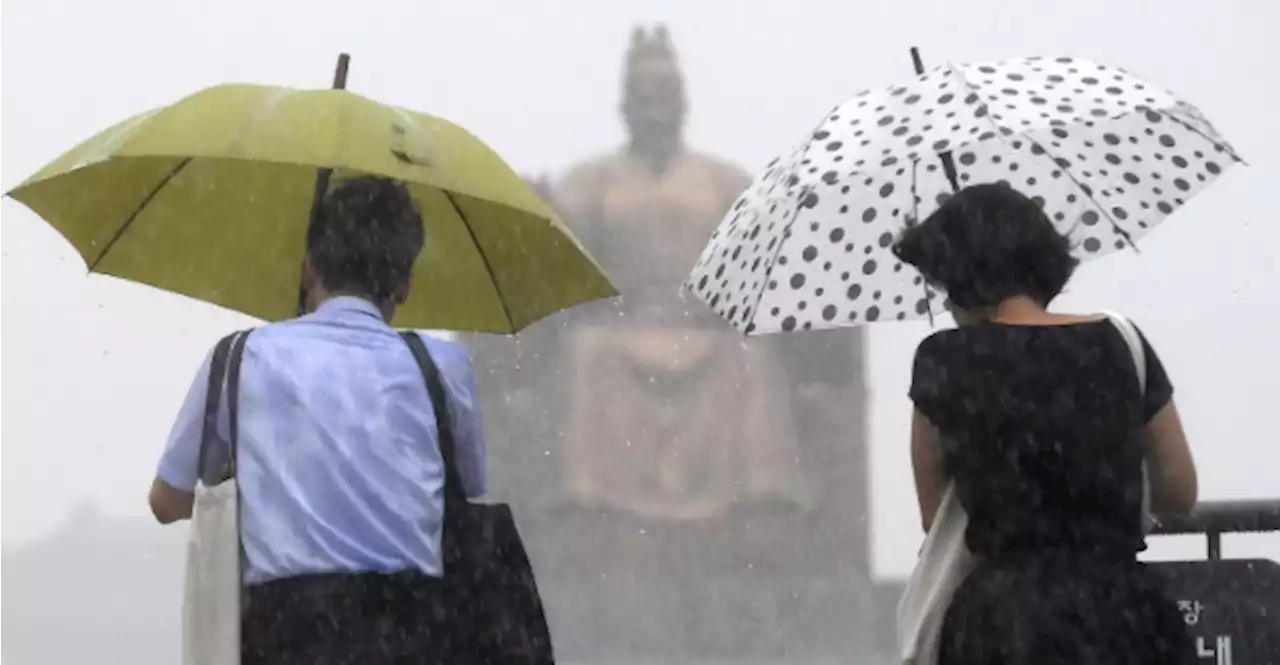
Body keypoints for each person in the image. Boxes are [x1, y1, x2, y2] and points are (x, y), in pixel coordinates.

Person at [468, 24, 877, 660]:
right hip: (618, 331)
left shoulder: (720, 180)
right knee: (586, 356)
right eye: (645, 91)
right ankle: (588, 494)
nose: (656, 103)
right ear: (628, 101)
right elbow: (557, 245)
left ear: (681, 99)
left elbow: (764, 249)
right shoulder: (594, 180)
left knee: (752, 358)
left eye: (666, 90)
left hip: (706, 336)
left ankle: (762, 496)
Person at [147, 175, 486, 664]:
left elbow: (167, 500)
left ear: (308, 269)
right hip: (417, 634)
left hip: (286, 634)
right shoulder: (441, 368)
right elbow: (465, 489)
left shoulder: (239, 360)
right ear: (405, 282)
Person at [893, 182, 1199, 665]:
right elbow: (1179, 492)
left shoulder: (942, 361)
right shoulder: (1120, 342)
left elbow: (937, 519)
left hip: (1000, 627)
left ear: (961, 277)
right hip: (1125, 618)